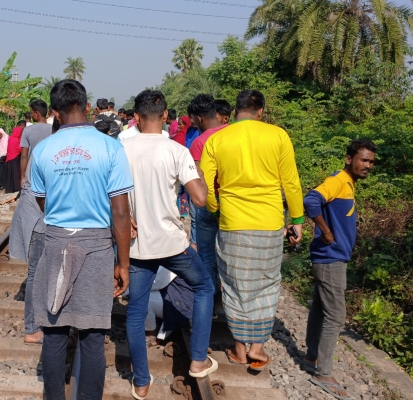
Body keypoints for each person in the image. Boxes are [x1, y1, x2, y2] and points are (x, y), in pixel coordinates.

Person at [30, 79, 133, 400]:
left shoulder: (43, 150)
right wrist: (124, 263)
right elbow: (120, 213)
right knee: (92, 336)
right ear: (88, 107)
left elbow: (42, 202)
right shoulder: (110, 147)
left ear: (56, 114)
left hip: (57, 244)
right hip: (98, 249)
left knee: (54, 332)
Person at [123, 90, 216, 399]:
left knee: (135, 313)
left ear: (135, 117)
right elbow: (200, 198)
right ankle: (199, 360)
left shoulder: (121, 147)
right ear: (165, 116)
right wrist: (198, 173)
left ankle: (140, 381)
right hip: (172, 243)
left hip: (136, 245)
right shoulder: (176, 150)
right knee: (204, 287)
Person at [201, 90, 303, 371]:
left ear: (234, 112)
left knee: (235, 285)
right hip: (269, 223)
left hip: (233, 222)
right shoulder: (278, 136)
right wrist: (297, 218)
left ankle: (239, 350)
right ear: (260, 112)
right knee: (267, 283)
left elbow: (206, 183)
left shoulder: (218, 139)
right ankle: (258, 347)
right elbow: (291, 182)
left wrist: (214, 208)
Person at [303, 139, 376, 399]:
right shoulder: (338, 181)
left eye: (370, 162)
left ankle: (313, 358)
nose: (368, 165)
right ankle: (323, 372)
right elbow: (311, 200)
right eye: (363, 160)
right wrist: (326, 232)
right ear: (349, 159)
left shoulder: (347, 184)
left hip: (331, 257)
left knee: (321, 308)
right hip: (330, 257)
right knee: (335, 315)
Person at [9, 99, 53, 345]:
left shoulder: (29, 130)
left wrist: (23, 177)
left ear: (35, 113)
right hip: (46, 207)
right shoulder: (54, 132)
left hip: (36, 201)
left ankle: (33, 326)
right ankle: (37, 325)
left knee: (35, 269)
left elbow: (24, 156)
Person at [187, 94, 228, 289]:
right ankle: (227, 295)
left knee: (205, 252)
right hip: (231, 200)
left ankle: (209, 297)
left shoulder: (199, 142)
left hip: (207, 202)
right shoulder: (233, 134)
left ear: (199, 118)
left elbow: (198, 176)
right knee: (227, 250)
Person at [3, 121, 26, 193]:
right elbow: (20, 149)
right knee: (16, 173)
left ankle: (9, 188)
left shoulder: (10, 138)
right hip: (15, 158)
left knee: (10, 174)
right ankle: (17, 187)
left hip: (9, 158)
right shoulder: (17, 140)